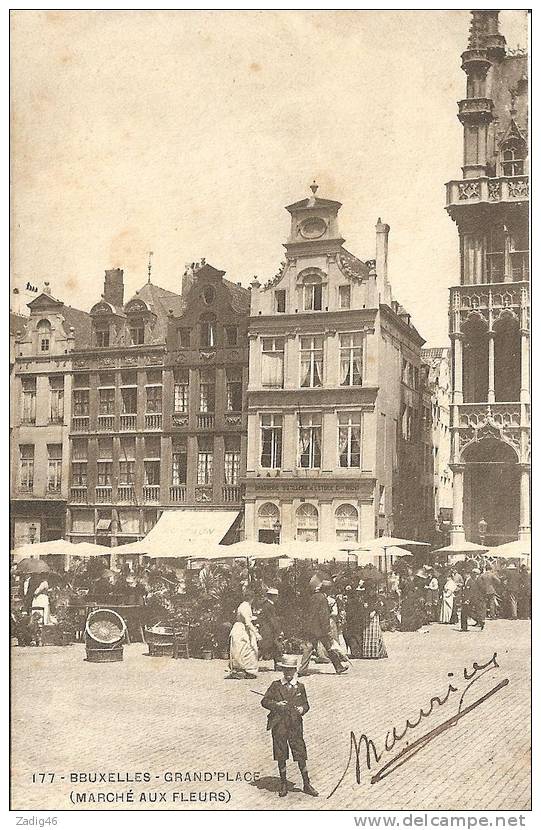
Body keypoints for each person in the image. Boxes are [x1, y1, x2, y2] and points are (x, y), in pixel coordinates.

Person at [261, 654, 318, 798]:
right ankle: (283, 783)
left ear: (295, 671)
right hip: (279, 725)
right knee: (281, 754)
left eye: (290, 670)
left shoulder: (300, 687)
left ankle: (306, 783)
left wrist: (302, 710)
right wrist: (276, 705)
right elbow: (265, 701)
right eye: (285, 670)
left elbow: (306, 704)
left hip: (295, 726)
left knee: (300, 753)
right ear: (282, 670)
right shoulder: (275, 685)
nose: (287, 673)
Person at [298, 581, 349, 676]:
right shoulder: (323, 599)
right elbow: (323, 616)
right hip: (320, 629)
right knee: (330, 647)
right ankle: (338, 667)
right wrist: (327, 630)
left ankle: (303, 669)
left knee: (309, 648)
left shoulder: (313, 597)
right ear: (328, 590)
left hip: (311, 627)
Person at [228, 592, 261, 679]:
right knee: (241, 650)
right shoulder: (244, 606)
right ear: (252, 598)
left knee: (248, 649)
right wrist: (256, 633)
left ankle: (247, 669)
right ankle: (240, 670)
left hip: (244, 629)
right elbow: (247, 622)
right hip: (241, 630)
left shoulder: (245, 606)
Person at [359, 581, 388, 658]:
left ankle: (375, 653)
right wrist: (364, 606)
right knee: (367, 634)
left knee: (374, 634)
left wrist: (374, 611)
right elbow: (361, 605)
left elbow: (379, 606)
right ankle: (368, 653)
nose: (369, 591)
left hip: (373, 616)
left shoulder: (376, 597)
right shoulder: (364, 596)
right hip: (366, 616)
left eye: (370, 589)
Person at [258, 588, 283, 670]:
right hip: (268, 630)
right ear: (273, 596)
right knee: (264, 647)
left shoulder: (266, 605)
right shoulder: (269, 606)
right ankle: (251, 661)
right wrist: (278, 630)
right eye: (276, 596)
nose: (277, 598)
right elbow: (272, 619)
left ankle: (277, 664)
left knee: (274, 646)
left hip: (267, 629)